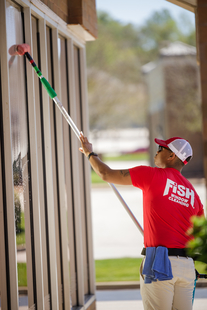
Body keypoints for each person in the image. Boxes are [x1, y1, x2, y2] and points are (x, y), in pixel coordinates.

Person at [79, 133, 204, 310]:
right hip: (187, 269)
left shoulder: (151, 175)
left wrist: (90, 154)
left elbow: (105, 173)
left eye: (161, 148)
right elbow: (199, 239)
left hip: (160, 264)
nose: (156, 151)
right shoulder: (193, 195)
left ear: (171, 156)